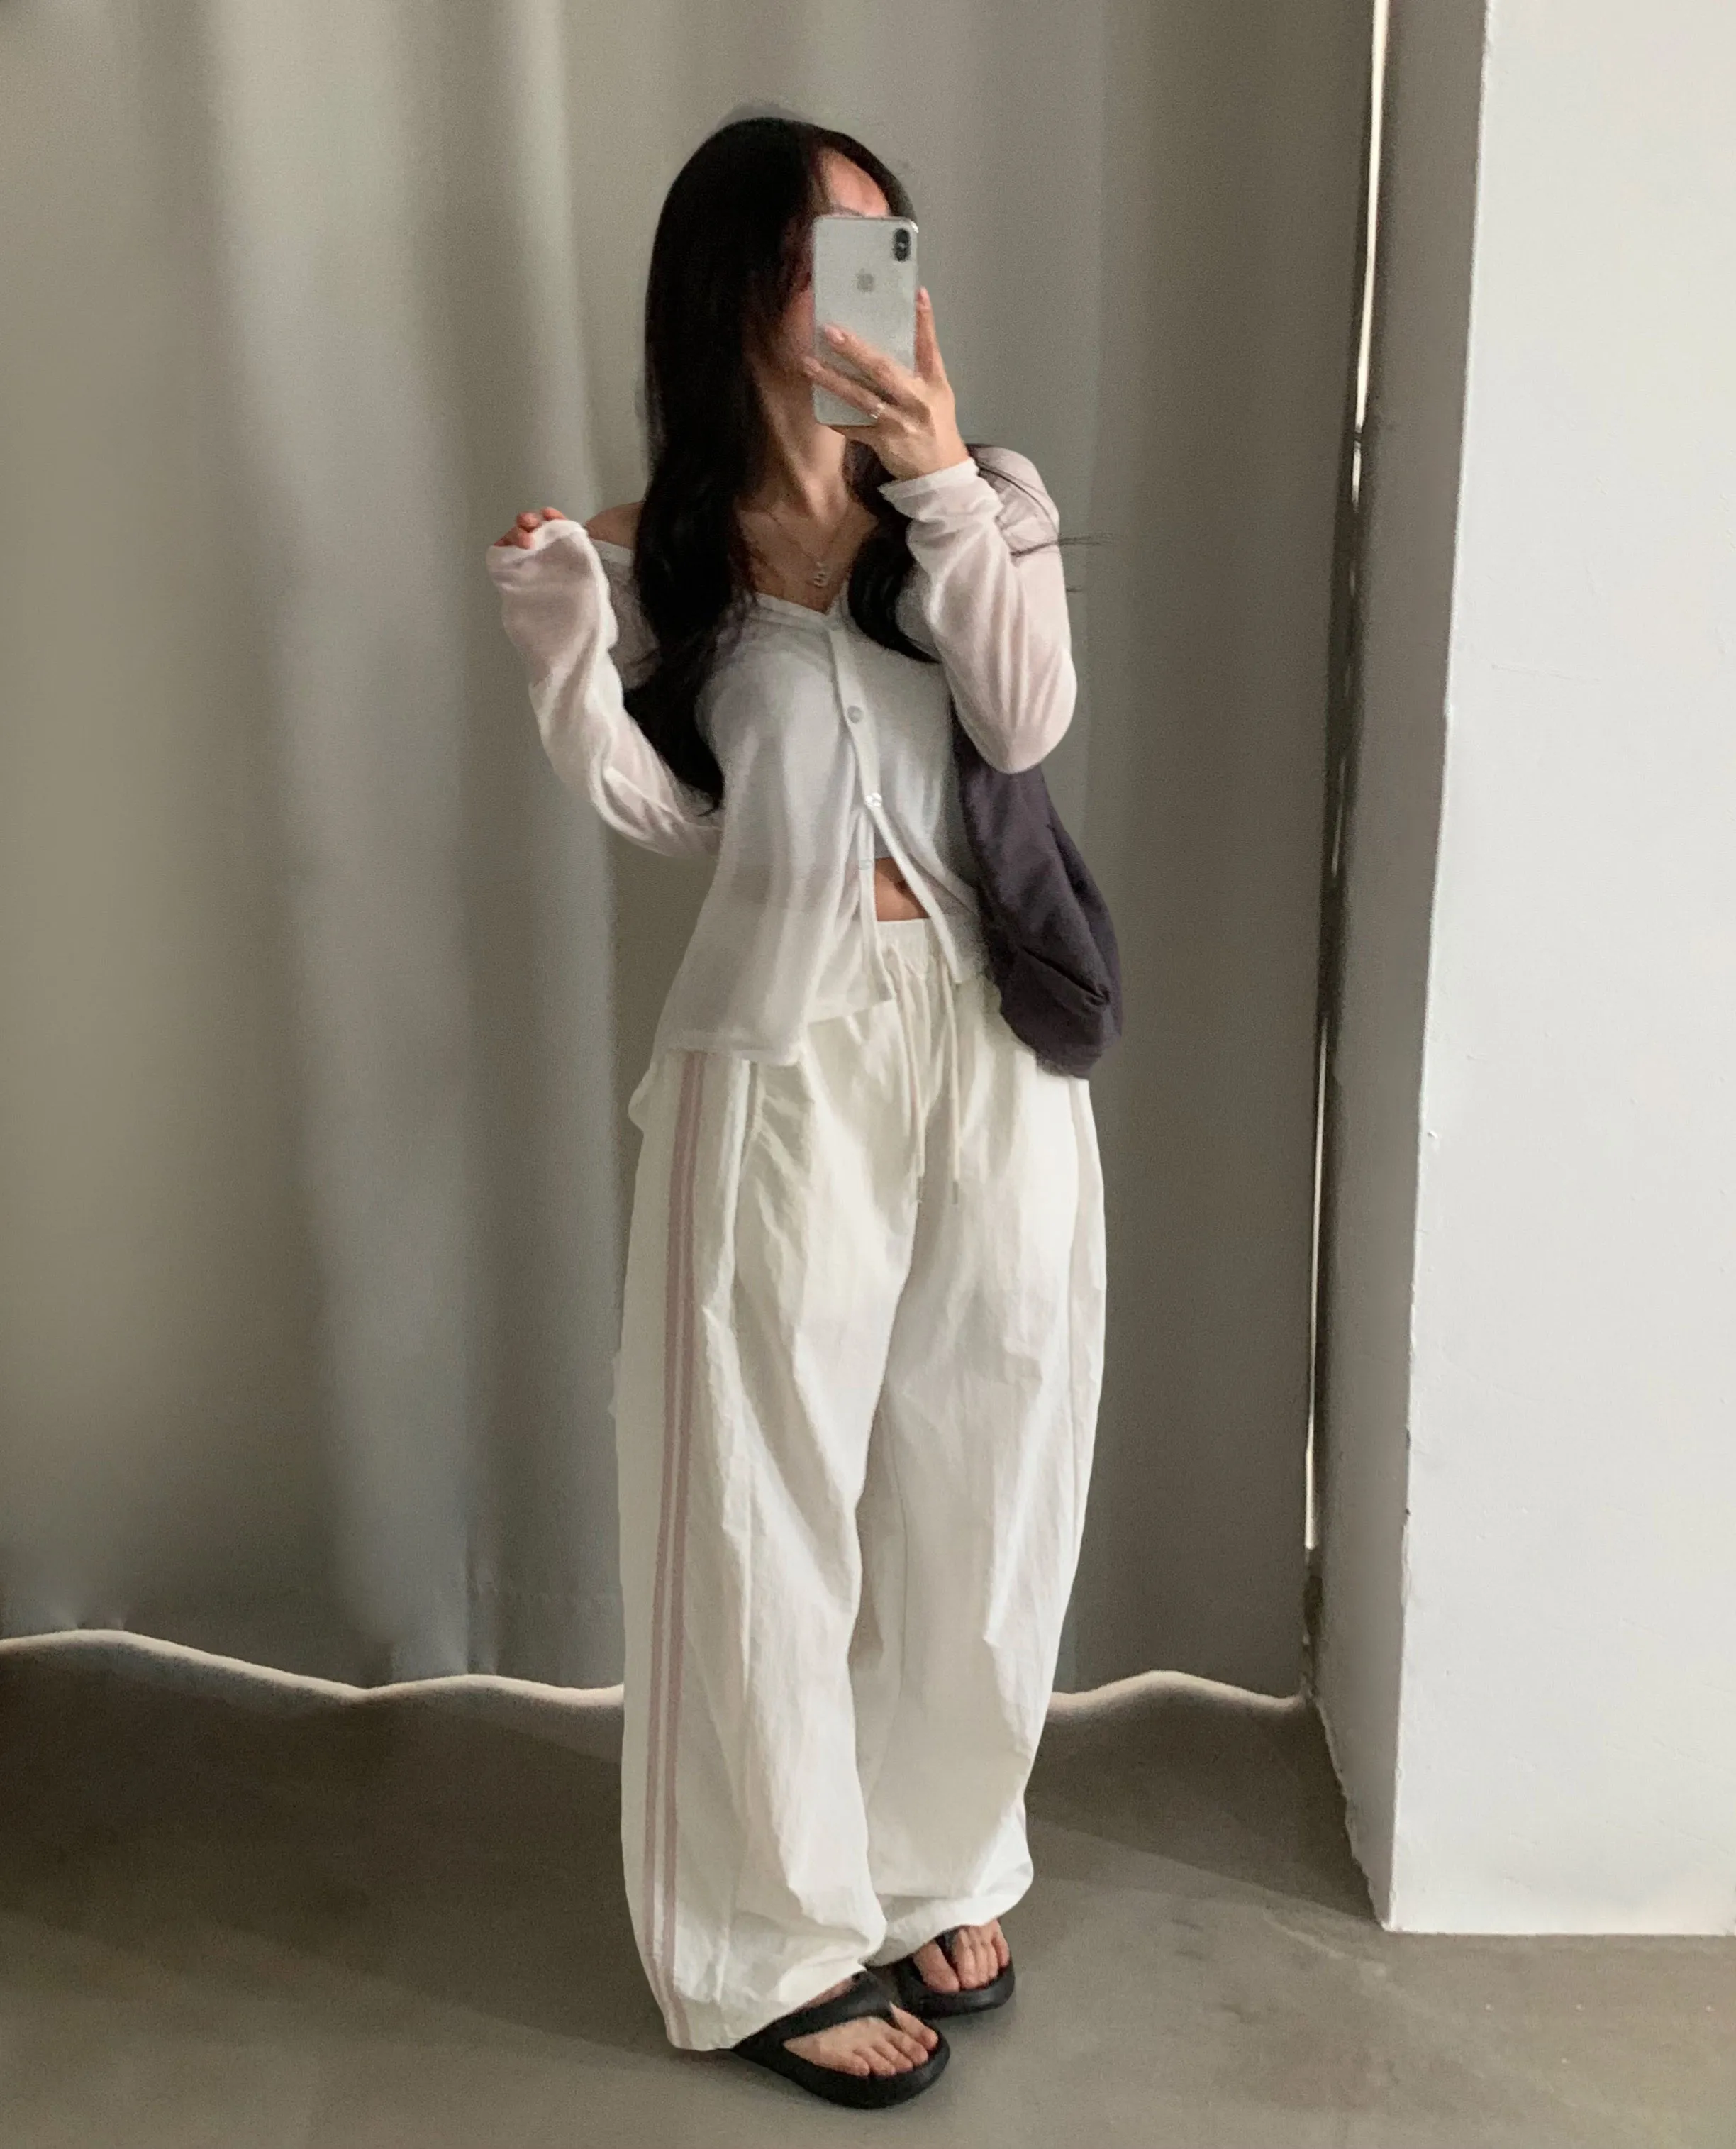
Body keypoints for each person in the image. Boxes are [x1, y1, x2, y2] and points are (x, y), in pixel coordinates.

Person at [486, 113, 1106, 2111]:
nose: (865, 274)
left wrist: (938, 474)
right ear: (733, 279)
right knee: (756, 1494)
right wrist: (571, 659)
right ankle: (762, 1937)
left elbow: (1025, 714)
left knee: (990, 1465)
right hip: (780, 1054)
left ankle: (936, 1862)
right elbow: (679, 817)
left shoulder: (984, 499)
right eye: (823, 242)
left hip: (988, 1045)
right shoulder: (670, 553)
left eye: (883, 238)